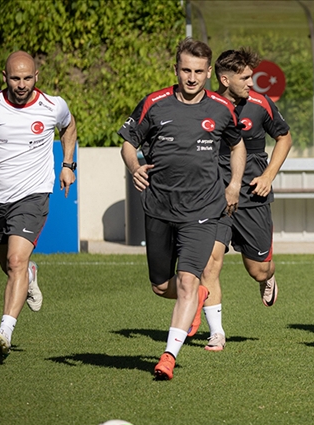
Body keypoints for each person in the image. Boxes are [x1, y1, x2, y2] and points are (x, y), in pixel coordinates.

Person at [118, 38, 247, 380]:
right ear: (175, 70)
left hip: (204, 208)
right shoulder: (154, 104)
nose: (192, 78)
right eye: (185, 70)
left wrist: (233, 185)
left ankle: (168, 356)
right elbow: (128, 142)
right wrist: (135, 167)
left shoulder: (222, 107)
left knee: (188, 280)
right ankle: (199, 296)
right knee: (162, 286)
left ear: (209, 73)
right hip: (160, 206)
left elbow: (237, 146)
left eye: (199, 72)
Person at [0, 51, 77, 358]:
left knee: (15, 262)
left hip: (33, 195)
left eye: (27, 78)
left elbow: (68, 126)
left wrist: (68, 164)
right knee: (10, 266)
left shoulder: (53, 105)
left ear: (36, 76)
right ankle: (30, 275)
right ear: (4, 77)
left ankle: (5, 331)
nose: (22, 84)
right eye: (15, 78)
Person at [196, 48, 292, 352]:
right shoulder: (204, 105)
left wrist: (268, 177)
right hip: (213, 196)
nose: (252, 82)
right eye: (245, 77)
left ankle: (268, 278)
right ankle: (217, 333)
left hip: (252, 195)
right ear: (225, 79)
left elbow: (285, 137)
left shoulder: (260, 104)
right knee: (210, 263)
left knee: (258, 270)